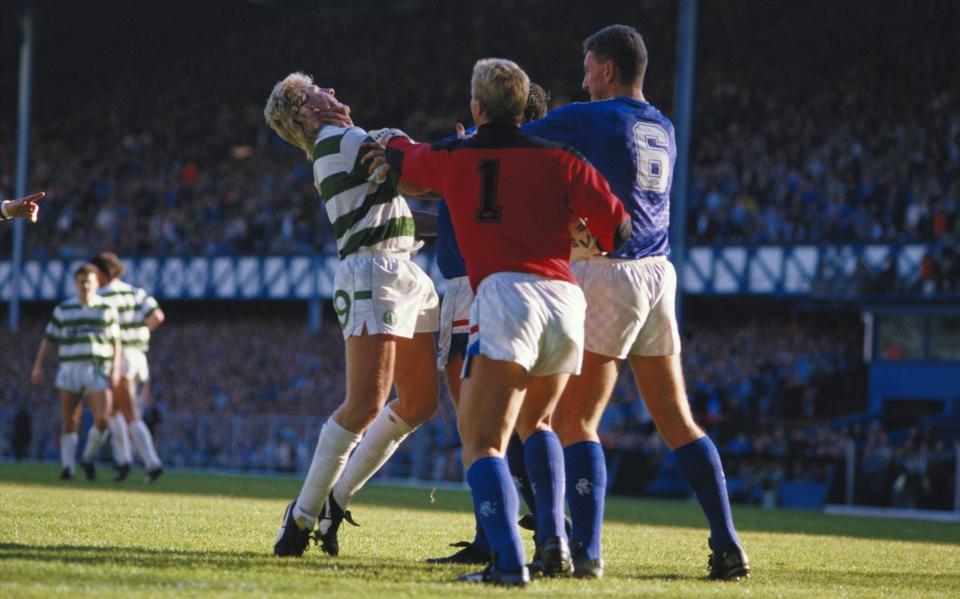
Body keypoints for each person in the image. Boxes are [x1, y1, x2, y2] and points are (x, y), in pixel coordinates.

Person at [376, 58, 630, 585]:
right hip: (565, 299)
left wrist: (388, 149)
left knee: (481, 442)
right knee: (537, 424)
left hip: (504, 295)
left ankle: (509, 565)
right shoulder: (562, 157)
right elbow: (618, 228)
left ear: (477, 107)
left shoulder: (456, 156)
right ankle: (555, 544)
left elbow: (406, 163)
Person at [522, 24, 750, 580]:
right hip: (657, 271)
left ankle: (589, 551)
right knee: (677, 419)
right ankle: (728, 544)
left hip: (610, 272)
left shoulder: (594, 115)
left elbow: (515, 139)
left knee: (575, 419)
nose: (582, 80)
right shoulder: (664, 125)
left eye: (586, 68)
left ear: (605, 69)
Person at [263, 73, 440, 558]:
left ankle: (334, 502)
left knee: (421, 401)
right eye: (321, 91)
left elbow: (406, 214)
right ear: (306, 110)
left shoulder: (339, 145)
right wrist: (467, 165)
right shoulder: (343, 139)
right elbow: (419, 181)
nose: (335, 92)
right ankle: (300, 515)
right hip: (374, 272)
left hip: (401, 267)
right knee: (365, 403)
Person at [426, 83, 561, 566]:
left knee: (479, 428)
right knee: (523, 422)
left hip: (473, 286)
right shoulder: (537, 164)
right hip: (529, 293)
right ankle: (546, 522)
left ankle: (503, 536)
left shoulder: (478, 157)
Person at [31, 263, 121, 481]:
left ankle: (87, 458)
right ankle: (68, 467)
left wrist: (116, 367)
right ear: (75, 284)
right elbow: (48, 339)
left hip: (97, 369)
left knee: (103, 419)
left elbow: (116, 341)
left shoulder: (106, 309)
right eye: (81, 281)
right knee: (70, 420)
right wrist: (38, 365)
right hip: (70, 369)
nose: (85, 285)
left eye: (88, 281)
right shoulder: (64, 309)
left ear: (97, 283)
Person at [90, 252, 166, 483]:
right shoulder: (135, 292)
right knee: (115, 410)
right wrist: (140, 332)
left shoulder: (101, 296)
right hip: (138, 356)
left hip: (118, 357)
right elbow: (158, 316)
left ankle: (151, 463)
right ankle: (122, 461)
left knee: (128, 413)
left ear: (102, 274)